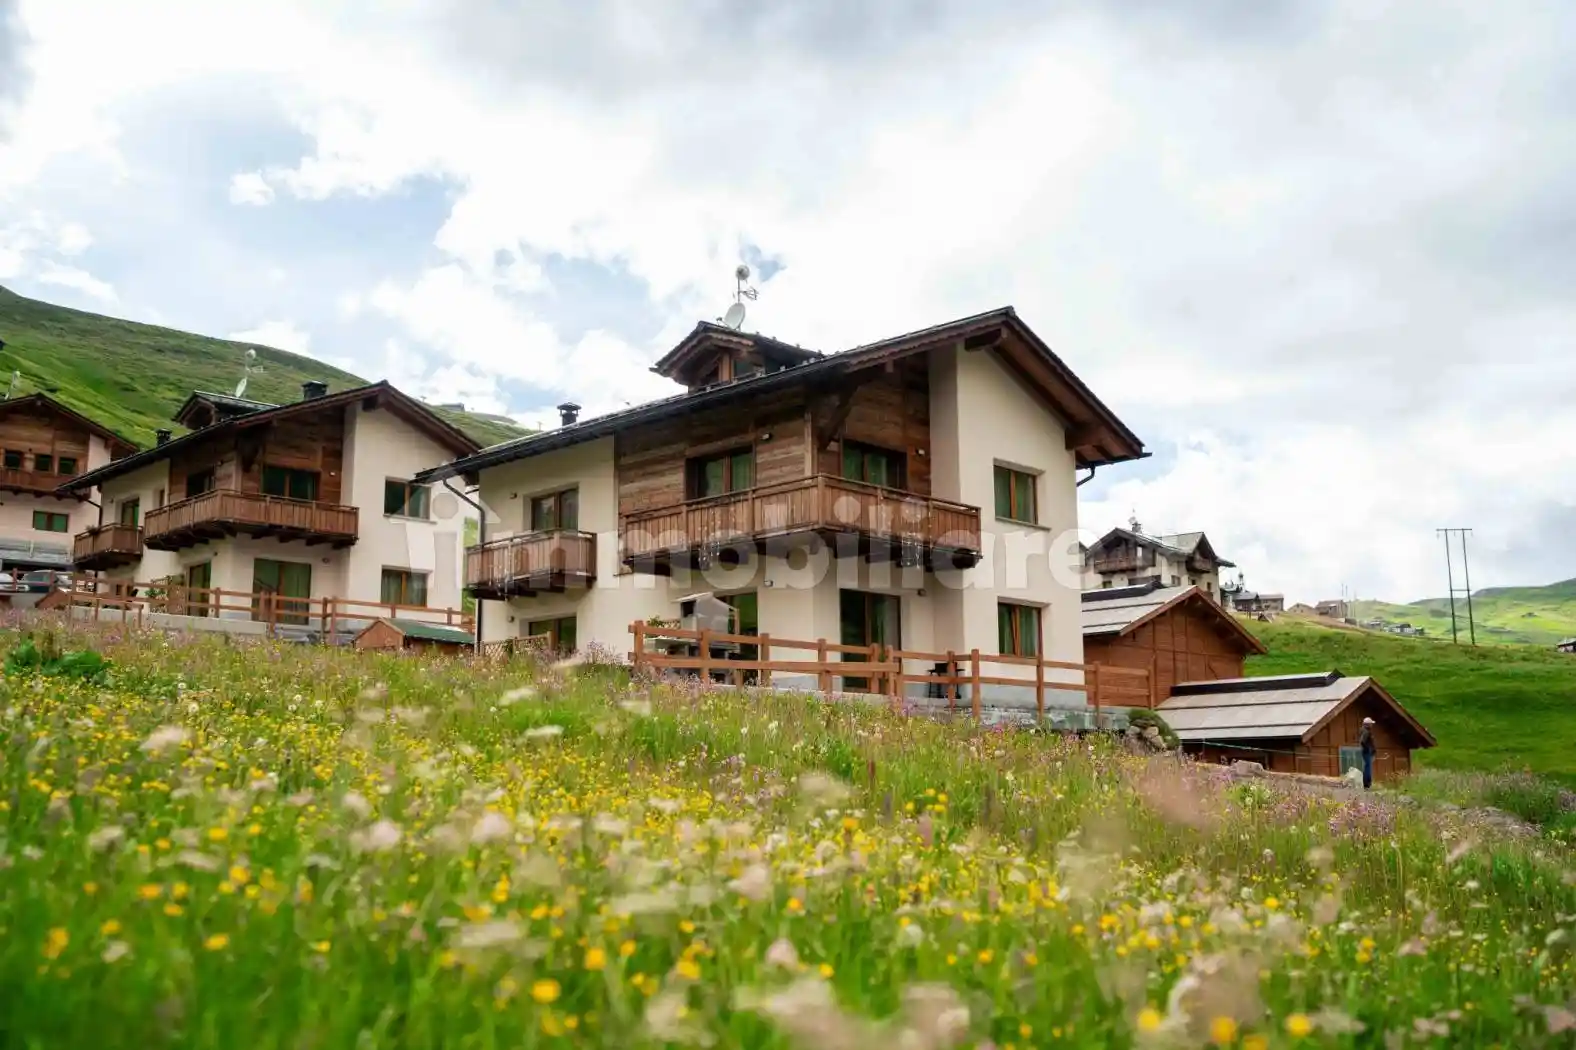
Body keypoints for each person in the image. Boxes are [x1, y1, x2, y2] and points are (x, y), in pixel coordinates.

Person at [1357, 716, 1376, 789]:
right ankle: (1367, 784)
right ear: (1368, 725)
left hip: (1366, 751)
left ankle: (1367, 784)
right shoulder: (1366, 732)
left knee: (1367, 766)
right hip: (1366, 752)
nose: (1372, 725)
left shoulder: (1364, 731)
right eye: (1371, 724)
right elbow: (1362, 742)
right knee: (1368, 767)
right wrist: (1367, 749)